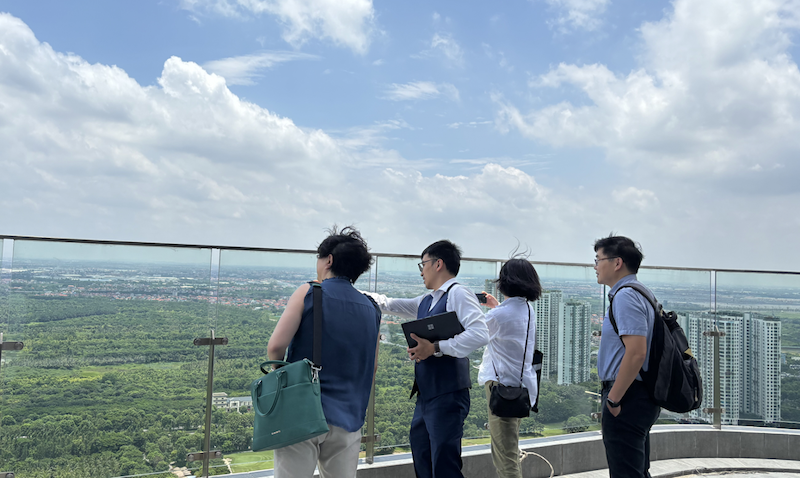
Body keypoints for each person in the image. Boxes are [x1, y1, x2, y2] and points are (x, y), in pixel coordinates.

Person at [364, 240, 489, 478]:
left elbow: (481, 333)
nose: (421, 271)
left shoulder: (458, 293)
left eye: (423, 264)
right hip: (427, 395)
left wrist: (436, 347)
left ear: (438, 264)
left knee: (444, 464)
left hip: (448, 394)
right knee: (423, 456)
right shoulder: (427, 300)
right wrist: (351, 292)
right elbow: (388, 304)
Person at [267, 226, 381, 478]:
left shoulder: (309, 292)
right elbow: (371, 367)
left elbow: (275, 347)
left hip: (303, 410)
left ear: (328, 260)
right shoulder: (372, 308)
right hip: (349, 415)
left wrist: (281, 379)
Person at [594, 235, 660, 478]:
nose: (595, 266)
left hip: (628, 397)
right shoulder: (641, 292)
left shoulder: (626, 296)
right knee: (636, 471)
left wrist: (613, 399)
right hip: (639, 395)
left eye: (598, 259)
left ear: (617, 262)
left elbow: (636, 352)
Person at [477, 258, 541, 478]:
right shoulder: (529, 309)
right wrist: (496, 307)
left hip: (501, 388)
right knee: (509, 448)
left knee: (506, 456)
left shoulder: (498, 315)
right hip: (520, 387)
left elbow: (472, 336)